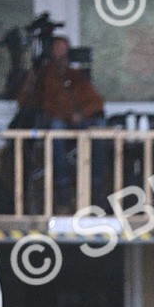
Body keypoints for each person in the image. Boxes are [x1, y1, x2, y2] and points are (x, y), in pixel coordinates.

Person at [15, 35, 106, 209]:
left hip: (76, 121)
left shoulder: (76, 75)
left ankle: (96, 186)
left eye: (63, 50)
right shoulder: (41, 76)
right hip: (54, 122)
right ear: (50, 52)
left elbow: (97, 102)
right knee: (56, 128)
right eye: (57, 49)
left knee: (99, 127)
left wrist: (81, 114)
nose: (60, 54)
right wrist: (33, 76)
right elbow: (23, 101)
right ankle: (63, 189)